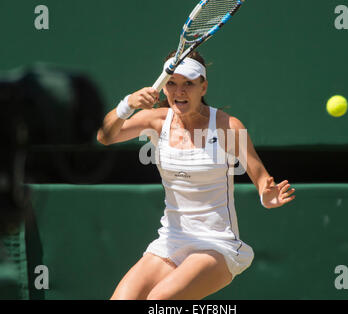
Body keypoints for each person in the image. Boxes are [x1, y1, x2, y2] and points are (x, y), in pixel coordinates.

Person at [97, 51, 296, 300]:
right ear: (164, 87)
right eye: (172, 83)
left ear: (203, 87)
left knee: (159, 301)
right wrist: (128, 104)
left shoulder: (228, 126)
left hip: (216, 244)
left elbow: (261, 178)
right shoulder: (156, 121)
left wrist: (267, 196)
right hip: (171, 240)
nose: (179, 91)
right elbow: (105, 136)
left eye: (188, 84)